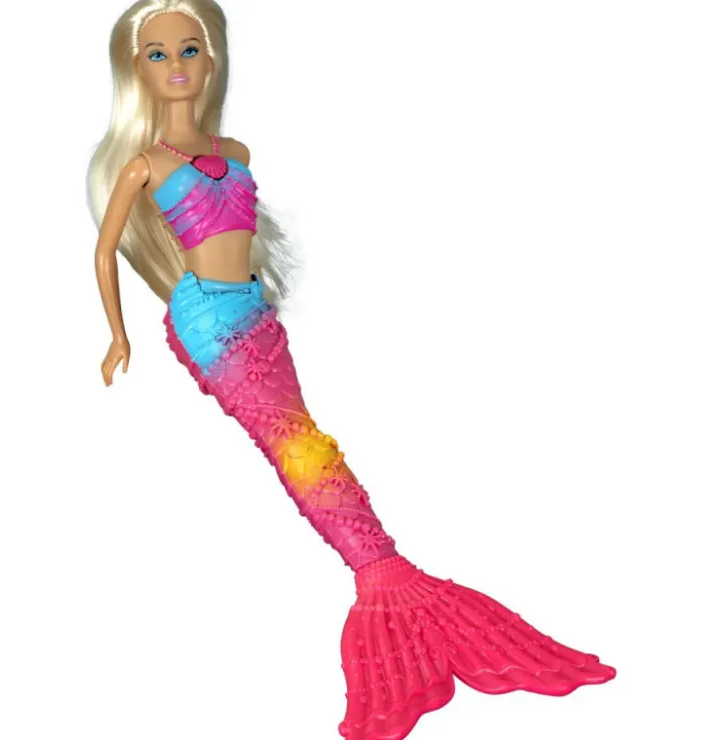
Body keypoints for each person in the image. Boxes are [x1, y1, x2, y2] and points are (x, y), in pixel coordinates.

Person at [88, 2, 616, 738]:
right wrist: (118, 335)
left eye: (189, 49)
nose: (176, 65)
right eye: (157, 54)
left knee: (307, 441)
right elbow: (104, 248)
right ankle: (375, 566)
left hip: (253, 313)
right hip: (209, 322)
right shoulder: (144, 165)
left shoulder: (236, 151)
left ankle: (377, 565)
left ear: (211, 61)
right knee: (296, 444)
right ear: (136, 71)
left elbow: (238, 233)